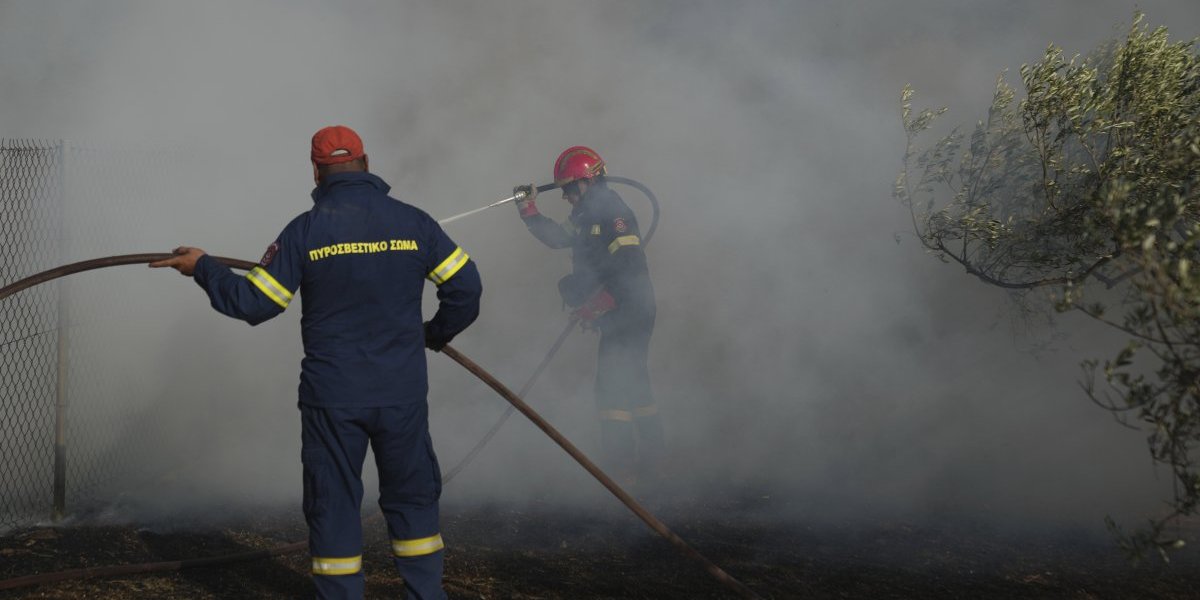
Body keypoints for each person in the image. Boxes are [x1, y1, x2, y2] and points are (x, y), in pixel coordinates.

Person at [150, 125, 481, 600]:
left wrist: (202, 268)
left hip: (333, 400)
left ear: (316, 171)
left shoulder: (305, 230)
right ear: (366, 164)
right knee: (413, 501)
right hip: (400, 395)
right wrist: (431, 335)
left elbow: (254, 303)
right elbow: (466, 290)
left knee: (335, 506)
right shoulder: (415, 223)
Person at [513, 146, 663, 488]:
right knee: (635, 383)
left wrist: (605, 299)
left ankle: (620, 469)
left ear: (585, 182)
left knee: (611, 387)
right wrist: (528, 209)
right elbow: (558, 239)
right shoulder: (585, 216)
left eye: (568, 188)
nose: (565, 196)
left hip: (631, 310)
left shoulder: (614, 212)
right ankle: (654, 461)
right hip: (621, 310)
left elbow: (630, 264)